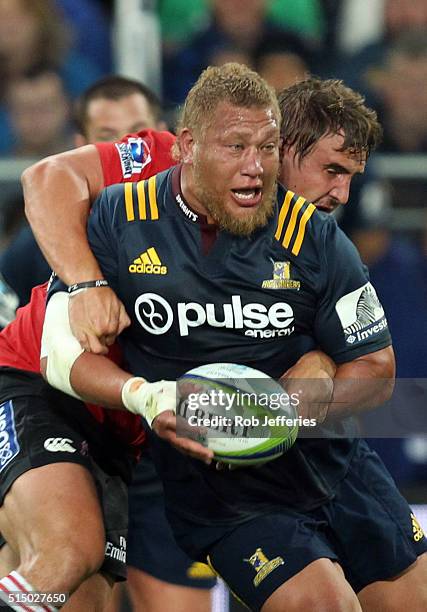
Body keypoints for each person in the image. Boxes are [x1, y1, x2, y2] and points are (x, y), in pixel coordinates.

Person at [36, 64, 427, 611]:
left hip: (338, 467)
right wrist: (89, 289)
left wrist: (284, 408)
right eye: (237, 146)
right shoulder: (124, 211)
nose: (341, 192)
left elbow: (377, 370)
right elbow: (46, 181)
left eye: (262, 148)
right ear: (190, 146)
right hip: (222, 492)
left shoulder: (315, 236)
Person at [0, 79, 216, 610]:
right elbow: (54, 352)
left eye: (135, 134)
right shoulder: (57, 230)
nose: (126, 148)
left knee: (78, 592)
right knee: (66, 555)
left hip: (135, 434)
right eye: (109, 139)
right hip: (44, 394)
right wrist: (86, 284)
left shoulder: (275, 237)